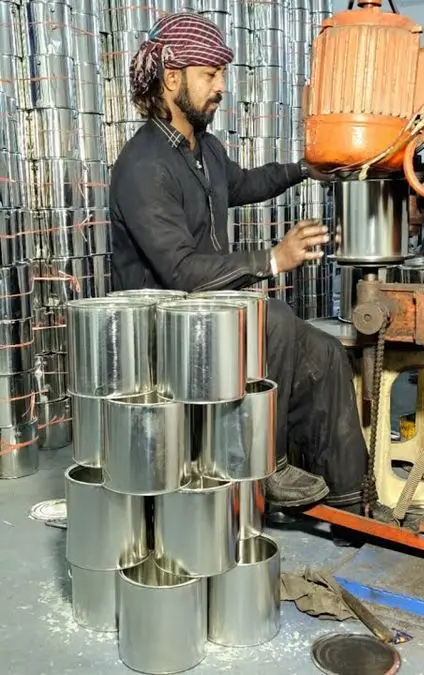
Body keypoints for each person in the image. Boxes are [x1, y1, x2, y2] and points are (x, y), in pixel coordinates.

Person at [108, 12, 368, 510]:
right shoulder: (143, 166)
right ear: (171, 79)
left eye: (221, 74)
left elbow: (244, 183)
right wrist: (273, 258)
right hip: (164, 326)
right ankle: (266, 463)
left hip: (208, 309)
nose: (221, 87)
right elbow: (181, 272)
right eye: (210, 74)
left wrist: (303, 168)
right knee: (276, 318)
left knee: (325, 352)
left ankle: (348, 498)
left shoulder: (202, 148)